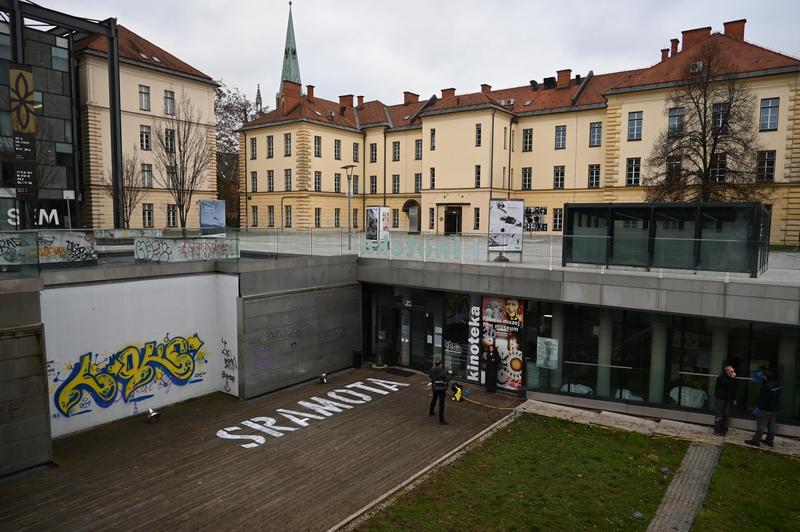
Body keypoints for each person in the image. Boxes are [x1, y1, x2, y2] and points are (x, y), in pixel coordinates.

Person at [745, 367, 782, 447]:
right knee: (771, 426)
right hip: (774, 409)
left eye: (762, 376)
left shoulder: (766, 387)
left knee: (761, 426)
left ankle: (755, 441)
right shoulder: (777, 383)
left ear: (765, 377)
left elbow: (763, 400)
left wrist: (758, 408)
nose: (761, 377)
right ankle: (770, 441)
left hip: (765, 410)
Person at [713, 364, 737, 436]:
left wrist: (734, 398)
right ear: (727, 371)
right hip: (721, 398)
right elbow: (727, 385)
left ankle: (723, 429)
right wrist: (732, 378)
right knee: (719, 414)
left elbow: (733, 389)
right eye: (731, 371)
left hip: (728, 399)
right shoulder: (722, 377)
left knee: (726, 414)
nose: (733, 373)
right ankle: (717, 430)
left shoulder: (731, 378)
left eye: (733, 371)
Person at [428, 359, 449, 425]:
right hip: (441, 389)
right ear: (440, 364)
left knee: (434, 399)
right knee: (441, 404)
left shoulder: (432, 370)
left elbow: (430, 375)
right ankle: (441, 420)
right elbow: (447, 379)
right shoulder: (443, 371)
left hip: (434, 388)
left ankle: (431, 412)